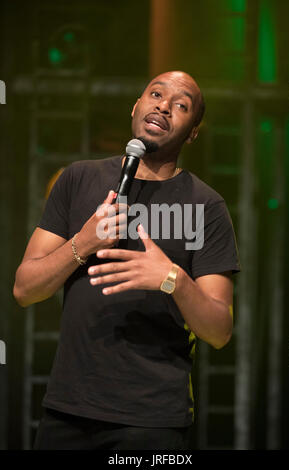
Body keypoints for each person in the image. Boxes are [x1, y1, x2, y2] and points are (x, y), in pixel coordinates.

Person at [13, 71, 240, 450]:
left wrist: (173, 279)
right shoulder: (78, 179)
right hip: (67, 413)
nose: (163, 106)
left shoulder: (207, 206)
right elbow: (24, 289)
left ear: (193, 132)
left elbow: (219, 331)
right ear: (136, 106)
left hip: (150, 423)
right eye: (155, 94)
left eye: (180, 105)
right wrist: (82, 243)